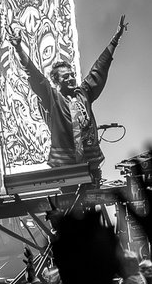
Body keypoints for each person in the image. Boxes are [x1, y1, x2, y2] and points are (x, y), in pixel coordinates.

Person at [7, 15, 127, 181]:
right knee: (71, 207)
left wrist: (115, 39)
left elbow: (99, 69)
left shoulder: (83, 93)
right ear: (56, 81)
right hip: (66, 168)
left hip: (91, 164)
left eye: (72, 75)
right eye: (65, 77)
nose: (71, 78)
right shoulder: (52, 98)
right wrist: (19, 49)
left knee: (95, 203)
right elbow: (35, 76)